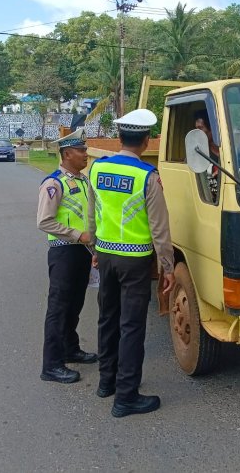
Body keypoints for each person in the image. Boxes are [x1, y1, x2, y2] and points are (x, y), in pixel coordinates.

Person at [88, 109, 175, 418]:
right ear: (147, 140)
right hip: (135, 260)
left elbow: (92, 213)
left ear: (119, 138)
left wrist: (95, 249)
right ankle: (126, 397)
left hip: (105, 256)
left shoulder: (96, 168)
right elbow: (160, 230)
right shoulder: (147, 178)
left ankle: (105, 381)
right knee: (132, 326)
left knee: (107, 318)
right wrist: (167, 266)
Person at [36, 129, 98, 384]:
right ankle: (51, 365)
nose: (86, 154)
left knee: (75, 305)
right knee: (58, 308)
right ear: (67, 154)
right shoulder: (53, 184)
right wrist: (76, 234)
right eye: (81, 151)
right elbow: (44, 221)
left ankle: (70, 348)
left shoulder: (83, 181)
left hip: (82, 252)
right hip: (64, 252)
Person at [193, 109, 220, 202]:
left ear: (212, 128)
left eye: (200, 128)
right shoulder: (197, 153)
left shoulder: (229, 152)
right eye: (196, 129)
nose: (197, 133)